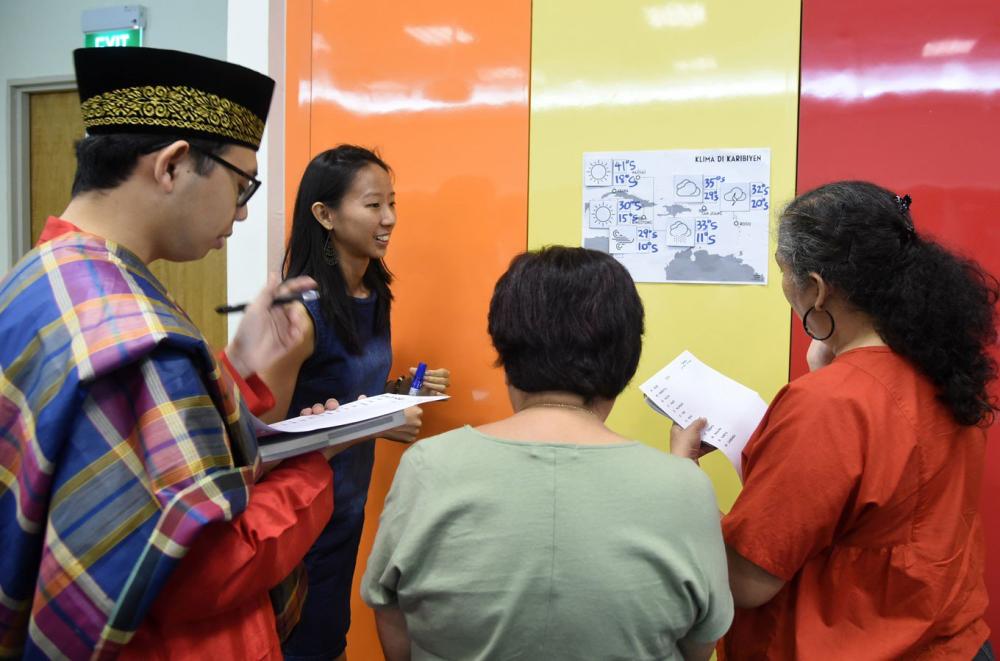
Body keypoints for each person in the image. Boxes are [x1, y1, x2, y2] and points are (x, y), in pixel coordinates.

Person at [0, 47, 345, 659]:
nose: (241, 213)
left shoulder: (42, 277)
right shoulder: (136, 334)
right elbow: (206, 567)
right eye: (242, 185)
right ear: (173, 165)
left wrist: (237, 365)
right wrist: (313, 466)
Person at [671, 181, 997, 660]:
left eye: (785, 273)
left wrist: (683, 483)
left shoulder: (830, 405)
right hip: (951, 642)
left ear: (817, 289)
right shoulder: (944, 370)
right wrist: (834, 369)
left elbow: (747, 582)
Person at [360, 246, 733, 661]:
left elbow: (391, 615)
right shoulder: (685, 486)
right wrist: (676, 479)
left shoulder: (427, 466)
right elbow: (700, 644)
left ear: (504, 348)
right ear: (627, 357)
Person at [259, 145, 450, 660]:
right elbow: (259, 445)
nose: (388, 219)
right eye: (372, 205)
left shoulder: (372, 291)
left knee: (329, 638)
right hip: (296, 518)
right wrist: (375, 422)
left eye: (392, 203)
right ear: (324, 214)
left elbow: (341, 393)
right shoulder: (296, 314)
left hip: (345, 507)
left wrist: (397, 390)